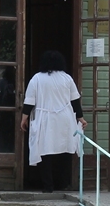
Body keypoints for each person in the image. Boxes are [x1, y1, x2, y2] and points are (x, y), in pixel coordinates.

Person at [21, 51, 88, 193]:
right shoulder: (67, 78)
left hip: (45, 118)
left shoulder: (37, 78)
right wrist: (80, 118)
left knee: (45, 151)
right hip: (65, 118)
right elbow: (75, 101)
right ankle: (62, 183)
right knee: (64, 149)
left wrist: (24, 118)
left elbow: (29, 102)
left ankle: (48, 186)